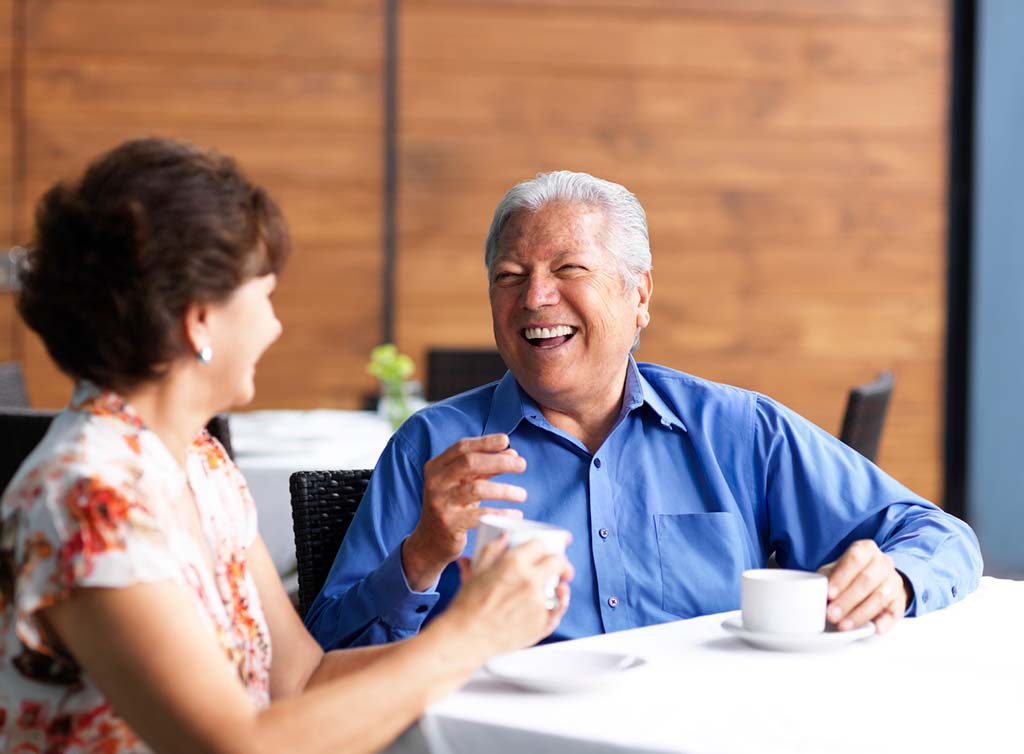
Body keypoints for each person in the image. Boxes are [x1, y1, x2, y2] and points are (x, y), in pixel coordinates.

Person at [0, 139, 572, 754]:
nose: (274, 326)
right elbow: (240, 747)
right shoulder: (88, 496)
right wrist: (469, 634)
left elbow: (302, 679)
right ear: (199, 319)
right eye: (264, 295)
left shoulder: (201, 463)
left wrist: (489, 639)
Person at [305, 170, 983, 651]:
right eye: (509, 277)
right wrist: (423, 554)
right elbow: (326, 659)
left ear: (639, 296)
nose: (535, 298)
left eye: (569, 270)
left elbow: (939, 535)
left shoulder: (737, 430)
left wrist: (896, 576)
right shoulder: (434, 447)